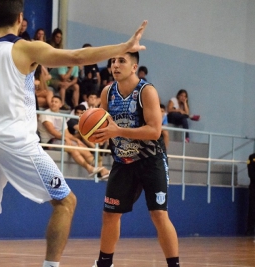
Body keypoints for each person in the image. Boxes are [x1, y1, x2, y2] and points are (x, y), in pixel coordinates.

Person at [0, 1, 147, 266]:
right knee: (65, 202)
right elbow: (76, 57)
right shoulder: (24, 48)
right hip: (14, 140)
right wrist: (123, 48)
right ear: (20, 18)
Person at [91, 52, 180, 267]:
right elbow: (104, 126)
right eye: (113, 61)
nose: (115, 65)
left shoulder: (146, 91)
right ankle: (104, 263)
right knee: (110, 215)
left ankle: (174, 265)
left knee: (159, 214)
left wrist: (117, 130)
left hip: (151, 160)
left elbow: (154, 131)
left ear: (134, 67)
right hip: (123, 162)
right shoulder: (107, 92)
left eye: (122, 61)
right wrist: (95, 133)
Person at [38, 96, 109, 178]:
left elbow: (67, 133)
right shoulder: (46, 114)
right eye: (52, 101)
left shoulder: (61, 116)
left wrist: (76, 140)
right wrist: (66, 138)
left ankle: (101, 171)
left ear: (60, 105)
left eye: (56, 102)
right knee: (73, 149)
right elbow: (52, 131)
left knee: (83, 148)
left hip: (62, 139)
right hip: (50, 141)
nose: (53, 103)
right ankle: (89, 169)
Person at [247, 153, 255, 236]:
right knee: (252, 209)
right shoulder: (252, 157)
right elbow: (251, 173)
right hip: (254, 188)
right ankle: (250, 229)